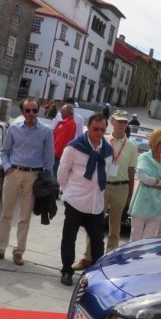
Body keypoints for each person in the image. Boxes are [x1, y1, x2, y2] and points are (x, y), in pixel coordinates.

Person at [0, 98, 54, 265]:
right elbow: (5, 151)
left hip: (33, 176)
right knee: (6, 214)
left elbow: (49, 159)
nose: (31, 114)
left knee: (24, 217)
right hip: (14, 173)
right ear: (22, 112)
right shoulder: (14, 128)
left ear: (38, 112)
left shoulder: (45, 132)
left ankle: (18, 252)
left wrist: (46, 180)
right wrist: (8, 168)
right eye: (27, 111)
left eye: (34, 111)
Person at [74, 111, 137, 271]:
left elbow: (131, 171)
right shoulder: (102, 140)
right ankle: (87, 257)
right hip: (101, 185)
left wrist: (130, 194)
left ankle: (109, 261)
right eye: (119, 121)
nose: (121, 125)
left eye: (124, 122)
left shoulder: (131, 146)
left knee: (115, 227)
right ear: (112, 121)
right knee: (94, 223)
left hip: (120, 187)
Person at [58, 113, 112, 286]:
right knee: (69, 237)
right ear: (88, 127)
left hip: (96, 203)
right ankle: (67, 270)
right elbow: (62, 174)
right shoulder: (74, 147)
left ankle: (96, 275)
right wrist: (68, 192)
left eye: (102, 130)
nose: (99, 133)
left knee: (97, 241)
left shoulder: (108, 151)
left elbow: (107, 173)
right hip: (75, 201)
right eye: (96, 129)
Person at [128, 129, 161, 242]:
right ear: (155, 142)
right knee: (135, 237)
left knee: (148, 240)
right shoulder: (144, 157)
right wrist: (158, 182)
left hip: (158, 206)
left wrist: (153, 182)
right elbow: (143, 177)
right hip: (142, 202)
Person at [53, 104, 77, 176]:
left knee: (54, 177)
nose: (61, 113)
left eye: (63, 111)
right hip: (55, 154)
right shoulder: (64, 122)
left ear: (69, 112)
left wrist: (56, 153)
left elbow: (64, 141)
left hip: (58, 156)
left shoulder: (70, 124)